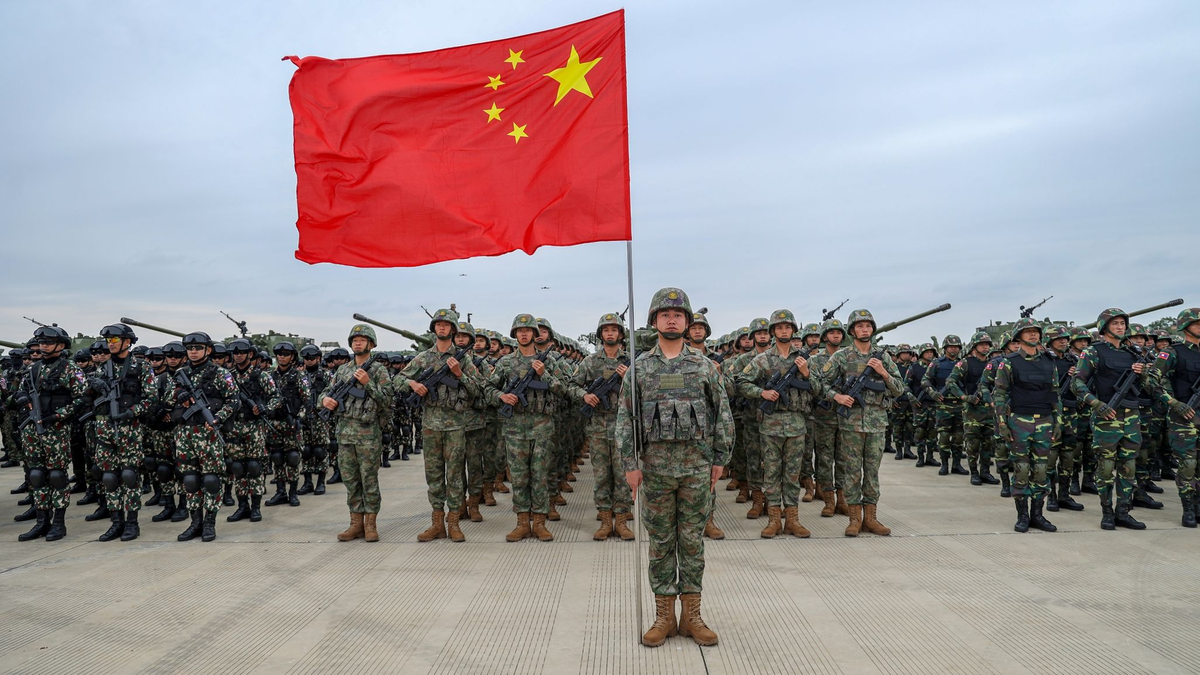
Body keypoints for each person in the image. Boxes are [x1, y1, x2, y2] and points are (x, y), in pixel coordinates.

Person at [617, 288, 733, 648]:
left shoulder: (703, 366)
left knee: (692, 543)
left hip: (696, 469)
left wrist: (720, 459)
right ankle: (664, 616)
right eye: (665, 314)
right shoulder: (640, 368)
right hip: (655, 471)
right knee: (662, 543)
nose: (672, 319)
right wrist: (630, 464)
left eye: (678, 314)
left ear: (687, 323)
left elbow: (722, 415)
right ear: (654, 321)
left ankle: (692, 616)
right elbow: (626, 418)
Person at [392, 309, 482, 543]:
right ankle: (437, 523)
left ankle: (453, 523)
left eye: (446, 325)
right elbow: (398, 380)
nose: (442, 328)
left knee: (454, 475)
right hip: (431, 424)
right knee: (433, 475)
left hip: (454, 425)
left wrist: (459, 374)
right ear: (434, 329)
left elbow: (478, 389)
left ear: (453, 330)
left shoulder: (463, 359)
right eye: (438, 325)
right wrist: (413, 383)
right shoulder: (423, 358)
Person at [814, 310, 904, 537]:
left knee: (872, 472)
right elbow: (818, 383)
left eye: (868, 326)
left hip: (876, 423)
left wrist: (884, 373)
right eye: (860, 326)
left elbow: (899, 389)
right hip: (851, 423)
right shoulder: (842, 357)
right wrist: (837, 397)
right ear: (852, 330)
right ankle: (854, 519)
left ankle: (871, 519)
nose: (865, 329)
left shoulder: (883, 357)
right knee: (852, 471)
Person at [1072, 308, 1163, 530]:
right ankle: (1107, 512)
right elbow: (1077, 383)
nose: (1120, 327)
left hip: (1131, 414)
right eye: (1115, 324)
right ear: (1104, 328)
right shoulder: (1093, 352)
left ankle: (1123, 511)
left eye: (1123, 323)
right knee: (1105, 468)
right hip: (1106, 415)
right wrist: (1096, 404)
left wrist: (1143, 374)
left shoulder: (1134, 354)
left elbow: (1149, 387)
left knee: (1129, 466)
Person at [483, 313, 567, 542]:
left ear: (534, 334)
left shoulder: (548, 361)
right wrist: (502, 396)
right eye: (520, 330)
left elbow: (565, 389)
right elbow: (487, 389)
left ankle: (539, 523)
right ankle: (522, 522)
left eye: (528, 330)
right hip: (515, 428)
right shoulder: (506, 362)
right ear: (515, 334)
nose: (524, 333)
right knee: (519, 477)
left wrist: (544, 374)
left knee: (540, 476)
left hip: (542, 427)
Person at [734, 309, 815, 538]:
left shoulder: (802, 358)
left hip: (797, 425)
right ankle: (773, 520)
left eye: (787, 327)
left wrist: (806, 373)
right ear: (773, 332)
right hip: (770, 425)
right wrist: (762, 393)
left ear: (793, 330)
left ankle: (792, 519)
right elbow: (741, 382)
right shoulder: (763, 359)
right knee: (770, 473)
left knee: (791, 474)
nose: (783, 331)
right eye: (779, 327)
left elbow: (819, 389)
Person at [16, 326, 89, 542]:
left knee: (57, 476)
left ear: (61, 345)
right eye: (41, 342)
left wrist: (58, 416)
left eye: (48, 342)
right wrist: (21, 397)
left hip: (56, 429)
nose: (44, 345)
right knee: (37, 475)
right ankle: (41, 521)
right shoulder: (33, 369)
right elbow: (21, 389)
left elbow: (81, 399)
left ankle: (58, 522)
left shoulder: (70, 369)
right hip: (32, 427)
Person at [322, 325, 393, 543]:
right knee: (351, 480)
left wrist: (367, 384)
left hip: (368, 434)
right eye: (355, 340)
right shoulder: (343, 370)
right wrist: (324, 400)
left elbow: (388, 400)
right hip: (345, 434)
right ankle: (355, 524)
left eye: (363, 340)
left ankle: (370, 524)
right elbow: (326, 392)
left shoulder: (379, 370)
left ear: (371, 344)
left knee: (369, 480)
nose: (358, 343)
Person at [992, 319, 1062, 533]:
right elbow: (1000, 395)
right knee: (1022, 469)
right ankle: (1022, 516)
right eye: (1028, 332)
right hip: (1020, 421)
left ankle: (1038, 515)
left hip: (1044, 421)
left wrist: (1058, 422)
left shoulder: (1049, 362)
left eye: (1035, 332)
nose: (1033, 335)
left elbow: (1055, 394)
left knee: (1042, 470)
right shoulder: (1009, 362)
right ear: (1018, 336)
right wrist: (1002, 424)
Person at [569, 312, 633, 540]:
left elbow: (645, 391)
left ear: (620, 334)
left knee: (623, 475)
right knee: (602, 476)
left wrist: (629, 380)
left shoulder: (631, 362)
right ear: (600, 335)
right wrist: (585, 396)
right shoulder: (590, 362)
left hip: (623, 427)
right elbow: (571, 385)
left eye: (614, 330)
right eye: (606, 330)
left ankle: (623, 522)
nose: (610, 333)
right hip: (597, 427)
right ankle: (605, 521)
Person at [170, 331, 239, 542]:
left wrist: (218, 418)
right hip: (185, 433)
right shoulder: (180, 373)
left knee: (210, 479)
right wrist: (178, 394)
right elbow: (166, 398)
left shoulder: (220, 374)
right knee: (190, 480)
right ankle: (195, 522)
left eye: (198, 348)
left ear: (208, 350)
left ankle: (210, 523)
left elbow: (233, 400)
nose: (193, 352)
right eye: (190, 348)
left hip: (208, 431)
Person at [1150, 307, 1200, 527]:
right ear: (1185, 327)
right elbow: (1152, 381)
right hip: (1184, 416)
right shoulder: (1172, 352)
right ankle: (1188, 509)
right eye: (1197, 323)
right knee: (1187, 464)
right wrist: (1173, 403)